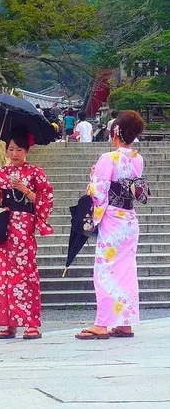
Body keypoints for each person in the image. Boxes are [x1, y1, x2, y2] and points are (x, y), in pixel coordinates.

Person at [75, 110, 145, 340]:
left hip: (113, 219)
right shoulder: (137, 157)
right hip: (129, 219)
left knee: (104, 270)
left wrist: (93, 179)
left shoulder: (108, 158)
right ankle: (125, 322)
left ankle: (102, 324)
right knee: (126, 271)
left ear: (115, 131)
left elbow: (98, 191)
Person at [0, 127, 54, 340]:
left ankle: (31, 323)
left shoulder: (35, 173)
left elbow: (45, 200)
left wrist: (25, 190)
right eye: (11, 149)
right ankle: (8, 323)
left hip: (24, 229)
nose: (14, 154)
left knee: (26, 275)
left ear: (27, 151)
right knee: (3, 276)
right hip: (4, 229)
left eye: (19, 149)